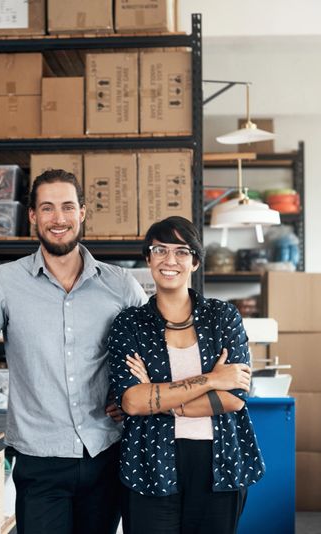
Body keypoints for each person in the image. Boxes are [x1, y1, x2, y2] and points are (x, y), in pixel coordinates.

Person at [0, 169, 147, 534]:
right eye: (48, 208)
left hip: (106, 453)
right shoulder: (5, 282)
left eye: (68, 207)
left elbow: (156, 349)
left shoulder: (120, 284)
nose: (59, 219)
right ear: (32, 216)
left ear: (82, 213)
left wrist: (134, 397)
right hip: (39, 460)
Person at [107, 216, 265, 534]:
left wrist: (157, 395)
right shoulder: (129, 323)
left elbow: (234, 397)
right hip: (149, 460)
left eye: (181, 251)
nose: (170, 260)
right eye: (160, 250)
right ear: (148, 258)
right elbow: (132, 402)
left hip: (218, 461)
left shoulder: (223, 317)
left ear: (194, 261)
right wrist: (211, 380)